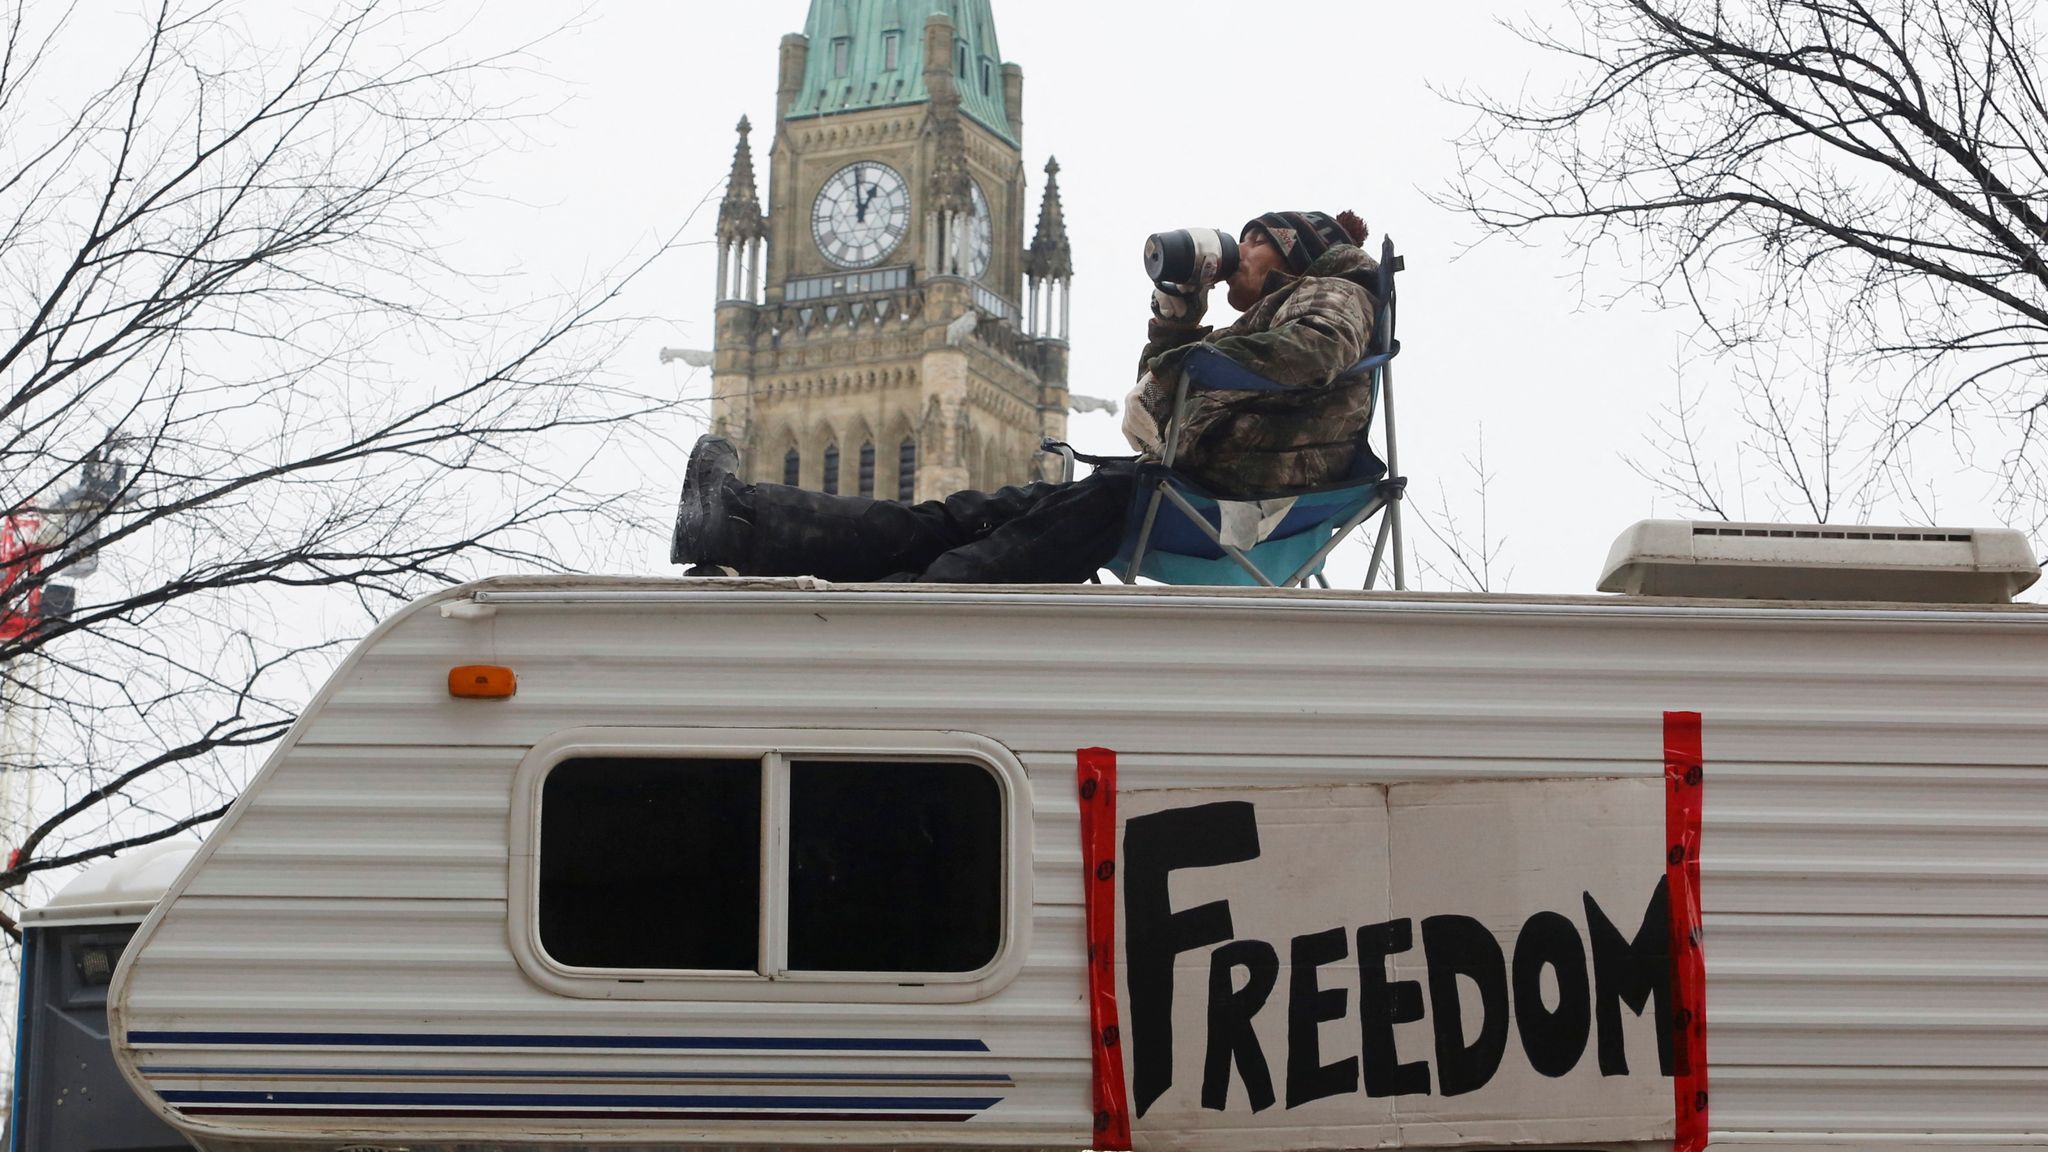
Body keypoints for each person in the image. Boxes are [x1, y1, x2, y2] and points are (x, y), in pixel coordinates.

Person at [671, 209, 1380, 583]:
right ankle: (739, 523)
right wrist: (1179, 313)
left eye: (1253, 241)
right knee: (964, 517)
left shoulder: (1335, 292)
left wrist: (1200, 354)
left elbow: (1313, 352)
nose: (1236, 257)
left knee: (1012, 540)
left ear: (1293, 249)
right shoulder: (1267, 317)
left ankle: (908, 605)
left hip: (1218, 497)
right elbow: (1161, 404)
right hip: (1186, 487)